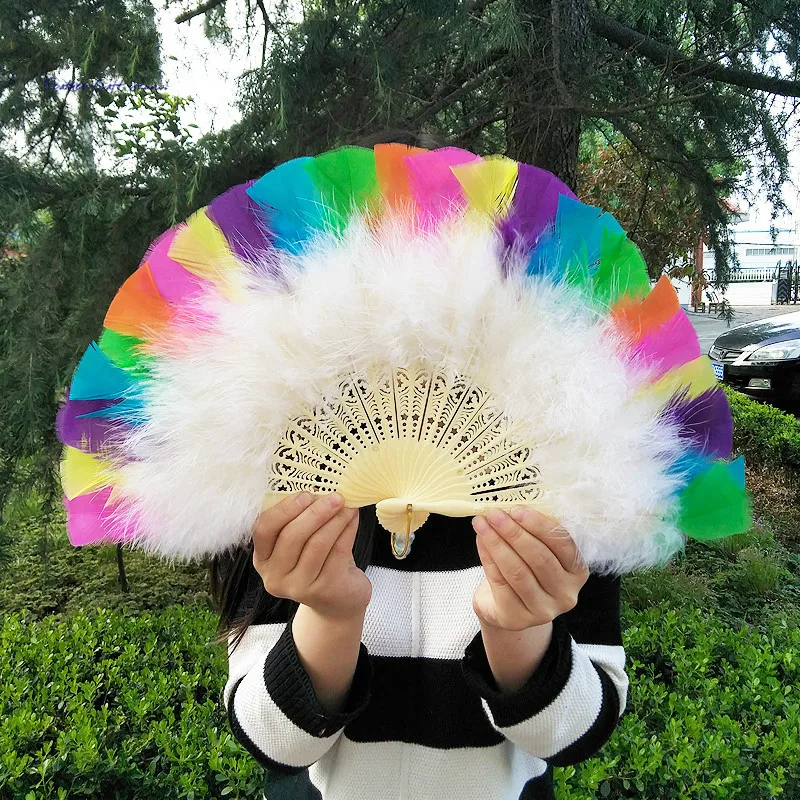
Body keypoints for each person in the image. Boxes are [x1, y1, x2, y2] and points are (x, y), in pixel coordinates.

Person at [209, 132, 629, 800]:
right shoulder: (284, 481)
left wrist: (518, 631)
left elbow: (576, 735)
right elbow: (273, 744)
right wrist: (330, 614)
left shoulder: (562, 480)